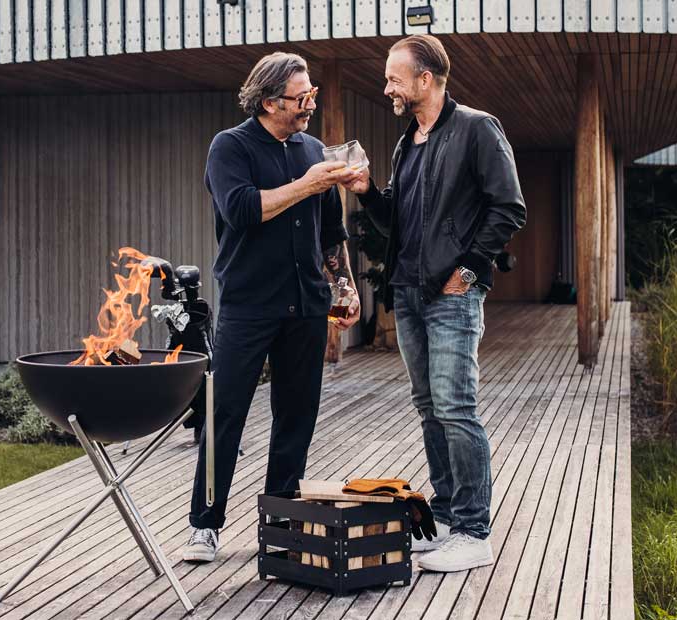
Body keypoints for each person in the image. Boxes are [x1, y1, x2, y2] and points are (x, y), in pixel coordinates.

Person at [345, 34, 526, 573]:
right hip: (408, 293)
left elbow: (508, 208)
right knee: (429, 408)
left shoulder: (476, 128)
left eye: (394, 79)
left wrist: (468, 269)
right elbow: (395, 223)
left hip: (452, 295)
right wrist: (366, 190)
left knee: (455, 408)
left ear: (425, 79)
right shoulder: (408, 143)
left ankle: (474, 531)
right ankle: (445, 519)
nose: (387, 88)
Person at [183, 51, 361, 563]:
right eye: (301, 98)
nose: (310, 105)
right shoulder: (229, 147)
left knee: (296, 415)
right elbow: (241, 210)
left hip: (307, 305)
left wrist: (345, 286)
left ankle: (281, 519)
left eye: (312, 95)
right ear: (268, 102)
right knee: (225, 414)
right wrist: (310, 183)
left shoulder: (314, 150)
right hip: (248, 305)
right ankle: (204, 525)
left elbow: (331, 232)